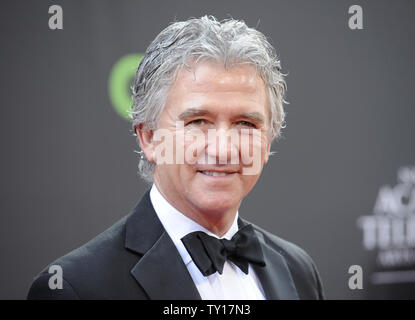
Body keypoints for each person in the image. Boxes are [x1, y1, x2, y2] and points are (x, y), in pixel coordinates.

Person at [27, 16, 324, 300]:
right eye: (198, 122)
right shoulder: (75, 288)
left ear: (267, 140)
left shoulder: (298, 270)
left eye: (246, 124)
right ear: (149, 137)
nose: (222, 149)